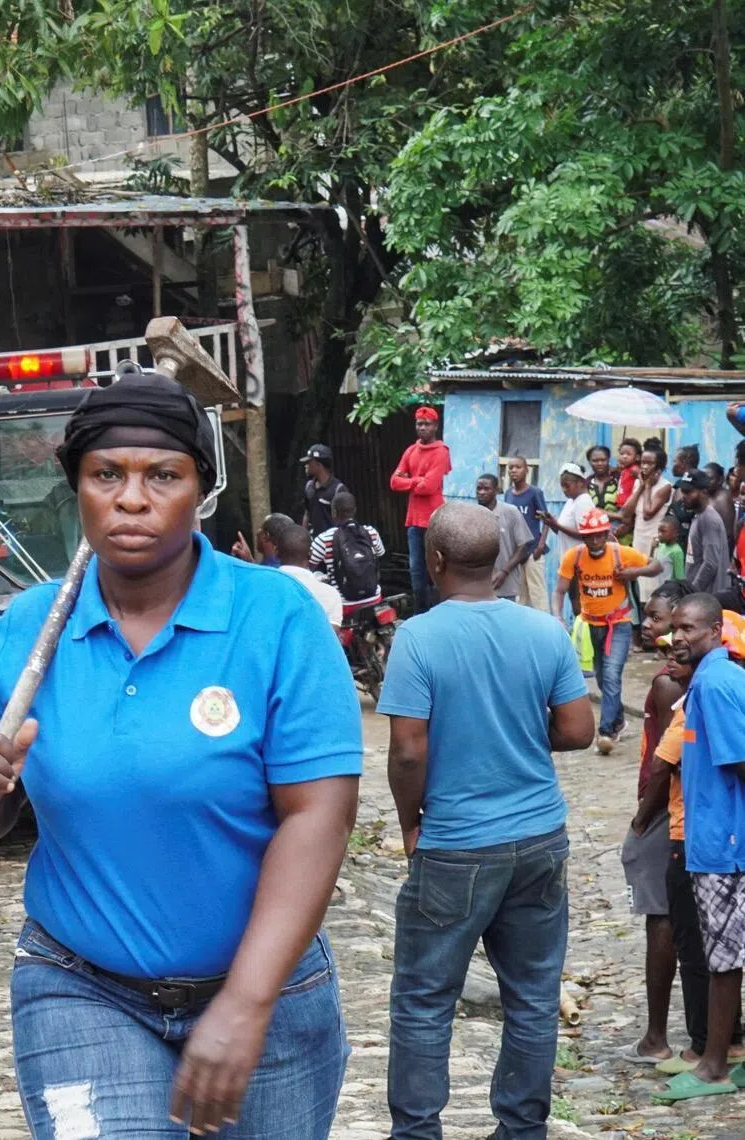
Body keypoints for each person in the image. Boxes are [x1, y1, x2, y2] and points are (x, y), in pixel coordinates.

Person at [0, 370, 363, 1138]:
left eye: (161, 476)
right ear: (78, 486)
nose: (131, 498)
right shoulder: (30, 629)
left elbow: (319, 818)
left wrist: (245, 1002)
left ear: (199, 488)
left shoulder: (275, 620)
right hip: (80, 988)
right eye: (107, 475)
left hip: (269, 993)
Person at [379, 501, 594, 1139]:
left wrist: (410, 823)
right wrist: (523, 731)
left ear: (435, 559)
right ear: (501, 561)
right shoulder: (544, 632)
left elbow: (409, 750)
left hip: (454, 844)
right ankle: (522, 1129)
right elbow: (579, 731)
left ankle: (418, 1131)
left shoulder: (418, 637)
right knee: (532, 996)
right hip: (538, 838)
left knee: (423, 1000)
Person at [636, 583, 745, 1076]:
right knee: (721, 954)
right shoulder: (704, 682)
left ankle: (714, 1063)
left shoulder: (717, 685)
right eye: (674, 627)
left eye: (688, 628)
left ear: (716, 631)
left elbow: (739, 761)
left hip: (722, 843)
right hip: (709, 836)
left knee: (721, 958)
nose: (677, 637)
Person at [619, 588, 687, 1065]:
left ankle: (656, 1037)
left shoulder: (668, 684)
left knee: (659, 915)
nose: (650, 624)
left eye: (663, 620)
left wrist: (643, 819)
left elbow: (666, 761)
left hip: (664, 809)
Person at [552, 508, 663, 753]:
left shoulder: (620, 554)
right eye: (589, 536)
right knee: (602, 678)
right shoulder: (575, 557)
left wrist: (634, 572)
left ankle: (606, 733)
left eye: (599, 536)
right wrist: (558, 616)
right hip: (592, 625)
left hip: (620, 624)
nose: (594, 541)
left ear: (606, 533)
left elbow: (656, 566)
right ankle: (619, 720)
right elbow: (559, 590)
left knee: (612, 675)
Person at [389, 407, 451, 613]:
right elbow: (394, 482)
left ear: (435, 426)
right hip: (414, 521)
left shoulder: (441, 452)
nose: (422, 428)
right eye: (419, 424)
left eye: (427, 424)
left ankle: (439, 613)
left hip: (434, 520)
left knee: (435, 570)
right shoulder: (410, 451)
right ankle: (419, 613)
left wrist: (410, 481)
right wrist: (417, 481)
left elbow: (430, 487)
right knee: (416, 572)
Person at [310, 490, 385, 611]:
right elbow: (381, 553)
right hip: (374, 599)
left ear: (333, 512)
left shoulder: (323, 539)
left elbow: (309, 567)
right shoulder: (371, 532)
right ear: (354, 510)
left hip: (344, 605)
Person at [536, 462, 594, 613]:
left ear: (580, 483)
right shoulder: (571, 501)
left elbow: (587, 534)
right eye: (562, 486)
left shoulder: (584, 502)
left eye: (567, 485)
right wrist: (551, 523)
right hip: (569, 559)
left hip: (580, 561)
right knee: (574, 600)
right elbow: (562, 532)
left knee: (580, 604)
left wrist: (557, 524)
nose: (564, 490)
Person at [625, 447, 674, 604]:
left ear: (659, 467)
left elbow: (648, 513)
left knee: (652, 586)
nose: (644, 467)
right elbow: (626, 512)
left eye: (649, 463)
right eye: (642, 463)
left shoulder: (665, 486)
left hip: (654, 541)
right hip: (639, 539)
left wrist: (647, 487)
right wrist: (640, 486)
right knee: (638, 585)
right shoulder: (639, 484)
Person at [475, 473, 533, 601]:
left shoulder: (510, 512)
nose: (482, 492)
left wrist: (504, 571)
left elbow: (523, 545)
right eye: (479, 489)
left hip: (505, 584)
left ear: (496, 490)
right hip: (478, 584)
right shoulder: (473, 514)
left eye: (486, 489)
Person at [503, 455, 549, 612]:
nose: (514, 470)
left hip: (532, 550)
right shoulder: (508, 494)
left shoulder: (534, 492)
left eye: (518, 467)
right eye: (511, 467)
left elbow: (546, 520)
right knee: (520, 596)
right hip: (516, 552)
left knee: (537, 594)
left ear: (526, 470)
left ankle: (546, 629)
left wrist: (541, 545)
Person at [276, 523, 343, 629]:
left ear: (276, 553)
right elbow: (330, 641)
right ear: (310, 554)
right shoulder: (330, 595)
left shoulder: (264, 589)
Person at [677, 469, 730, 595]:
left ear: (704, 492)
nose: (684, 496)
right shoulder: (699, 516)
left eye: (689, 492)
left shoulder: (708, 519)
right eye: (682, 491)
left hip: (707, 596)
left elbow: (710, 564)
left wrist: (693, 592)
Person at [300, 444, 347, 539]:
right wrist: (304, 537)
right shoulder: (309, 486)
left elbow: (345, 520)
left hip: (333, 544)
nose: (306, 465)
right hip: (315, 543)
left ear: (318, 465)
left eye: (309, 462)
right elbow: (307, 513)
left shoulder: (338, 489)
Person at [230, 512, 295, 568]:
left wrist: (249, 562)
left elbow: (262, 578)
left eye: (260, 529)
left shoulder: (275, 568)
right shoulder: (290, 564)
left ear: (265, 536)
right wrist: (249, 560)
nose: (257, 533)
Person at [669, 444, 701, 551]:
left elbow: (679, 516)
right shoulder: (684, 484)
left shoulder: (690, 487)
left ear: (684, 463)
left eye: (675, 461)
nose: (672, 465)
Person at [587, 444, 621, 526]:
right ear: (589, 462)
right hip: (594, 529)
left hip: (619, 529)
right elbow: (587, 510)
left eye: (603, 460)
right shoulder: (586, 483)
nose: (599, 463)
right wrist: (619, 516)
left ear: (609, 459)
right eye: (595, 461)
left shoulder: (619, 479)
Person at [705, 462, 736, 548]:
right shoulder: (707, 494)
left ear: (720, 480)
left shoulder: (723, 499)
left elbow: (727, 534)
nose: (706, 482)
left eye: (710, 479)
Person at [654, 514, 686, 582]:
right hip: (659, 587)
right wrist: (652, 548)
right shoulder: (661, 546)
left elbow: (680, 577)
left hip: (669, 590)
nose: (659, 534)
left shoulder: (676, 551)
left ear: (675, 533)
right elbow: (653, 565)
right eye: (659, 531)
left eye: (663, 531)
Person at [616, 438, 643, 512]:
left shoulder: (634, 469)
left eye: (628, 454)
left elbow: (643, 482)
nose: (624, 456)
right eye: (622, 454)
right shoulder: (626, 469)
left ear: (637, 457)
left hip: (628, 506)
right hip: (620, 505)